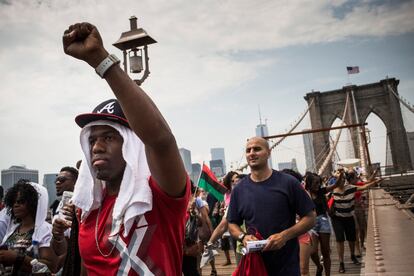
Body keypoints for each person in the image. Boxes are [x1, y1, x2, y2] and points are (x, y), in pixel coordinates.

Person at [60, 22, 189, 275]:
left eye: (109, 137)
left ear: (131, 144)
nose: (96, 146)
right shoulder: (86, 209)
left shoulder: (160, 196)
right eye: (92, 139)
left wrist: (101, 60)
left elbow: (160, 140)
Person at [227, 137, 316, 275]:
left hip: (286, 267)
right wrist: (243, 237)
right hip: (255, 266)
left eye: (257, 149)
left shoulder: (288, 183)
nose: (251, 153)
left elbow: (310, 218)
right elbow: (232, 224)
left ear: (268, 152)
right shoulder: (239, 190)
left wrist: (284, 236)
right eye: (248, 150)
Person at [330, 169, 382, 273]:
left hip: (349, 216)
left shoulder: (351, 188)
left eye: (342, 180)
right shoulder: (332, 190)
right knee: (340, 240)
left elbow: (364, 186)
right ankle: (341, 263)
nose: (340, 182)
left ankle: (353, 255)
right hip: (337, 218)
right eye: (338, 180)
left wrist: (375, 182)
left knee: (351, 238)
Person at [0, 179, 57, 274]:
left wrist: (18, 258)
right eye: (14, 201)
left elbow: (50, 267)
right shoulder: (14, 228)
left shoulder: (43, 229)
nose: (15, 205)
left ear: (33, 204)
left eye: (21, 201)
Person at [305, 172, 341, 276]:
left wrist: (341, 175)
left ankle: (328, 274)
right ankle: (319, 266)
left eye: (319, 183)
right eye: (315, 183)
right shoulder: (305, 193)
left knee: (325, 251)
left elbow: (335, 185)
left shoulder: (322, 191)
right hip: (311, 223)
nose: (318, 185)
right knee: (312, 251)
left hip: (323, 221)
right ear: (309, 183)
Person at [51, 166, 80, 275]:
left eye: (62, 180)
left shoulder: (86, 206)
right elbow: (59, 249)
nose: (57, 183)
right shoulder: (58, 207)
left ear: (77, 182)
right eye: (56, 180)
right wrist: (58, 235)